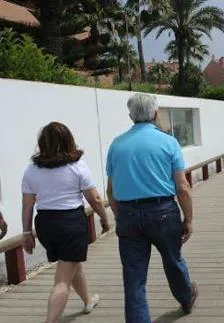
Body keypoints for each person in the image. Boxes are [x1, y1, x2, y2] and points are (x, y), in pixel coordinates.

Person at [106, 93, 197, 323]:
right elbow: (183, 187)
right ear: (155, 114)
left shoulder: (117, 145)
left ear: (130, 116)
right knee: (173, 260)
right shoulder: (168, 142)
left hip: (128, 214)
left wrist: (120, 214)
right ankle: (186, 298)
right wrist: (189, 219)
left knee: (134, 278)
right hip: (163, 211)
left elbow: (110, 190)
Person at [21, 122, 110, 323]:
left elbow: (27, 205)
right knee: (62, 280)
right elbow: (94, 199)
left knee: (70, 264)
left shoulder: (31, 170)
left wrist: (27, 234)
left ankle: (88, 300)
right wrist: (104, 219)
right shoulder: (77, 166)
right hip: (70, 223)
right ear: (68, 140)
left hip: (45, 224)